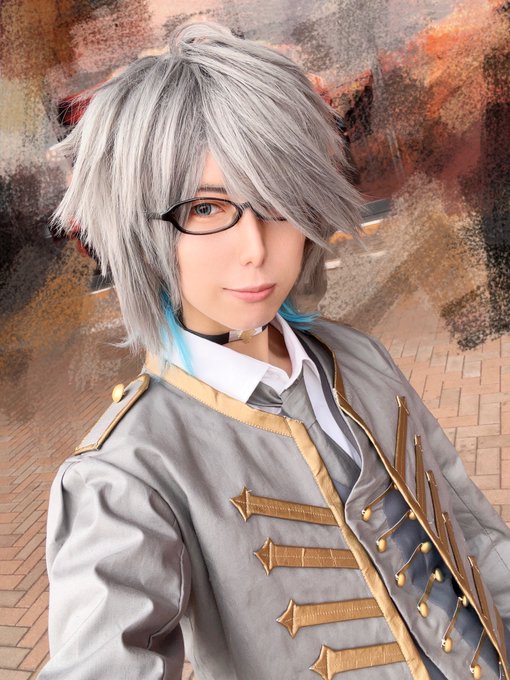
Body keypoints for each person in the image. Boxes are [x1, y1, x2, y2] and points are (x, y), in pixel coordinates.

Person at [39, 21, 510, 680]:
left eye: (275, 200)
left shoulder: (357, 357)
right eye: (205, 209)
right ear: (140, 228)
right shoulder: (125, 474)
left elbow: (467, 530)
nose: (255, 248)